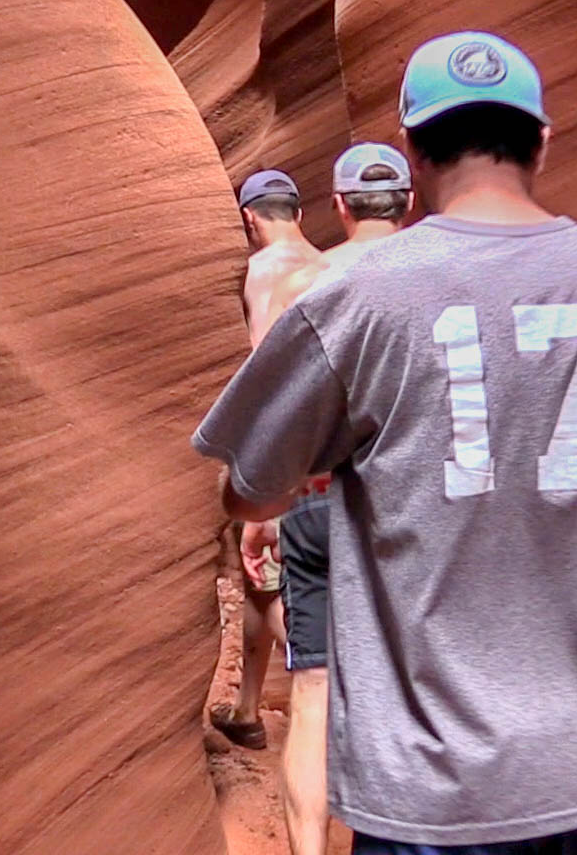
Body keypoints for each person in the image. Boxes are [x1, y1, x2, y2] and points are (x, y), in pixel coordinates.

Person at [192, 30, 577, 855]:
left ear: (412, 149)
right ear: (542, 142)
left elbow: (251, 489)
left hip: (423, 778)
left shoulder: (355, 298)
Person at [240, 142, 417, 855]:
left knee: (311, 691)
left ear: (339, 208)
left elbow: (270, 401)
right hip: (416, 505)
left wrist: (266, 510)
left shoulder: (300, 281)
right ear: (410, 202)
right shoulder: (443, 273)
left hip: (315, 493)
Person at [209, 169, 322, 750]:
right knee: (262, 586)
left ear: (249, 221)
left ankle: (334, 686)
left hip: (281, 457)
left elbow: (266, 384)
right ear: (298, 215)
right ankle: (248, 709)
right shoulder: (335, 266)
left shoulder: (261, 276)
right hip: (332, 459)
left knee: (270, 578)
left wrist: (262, 495)